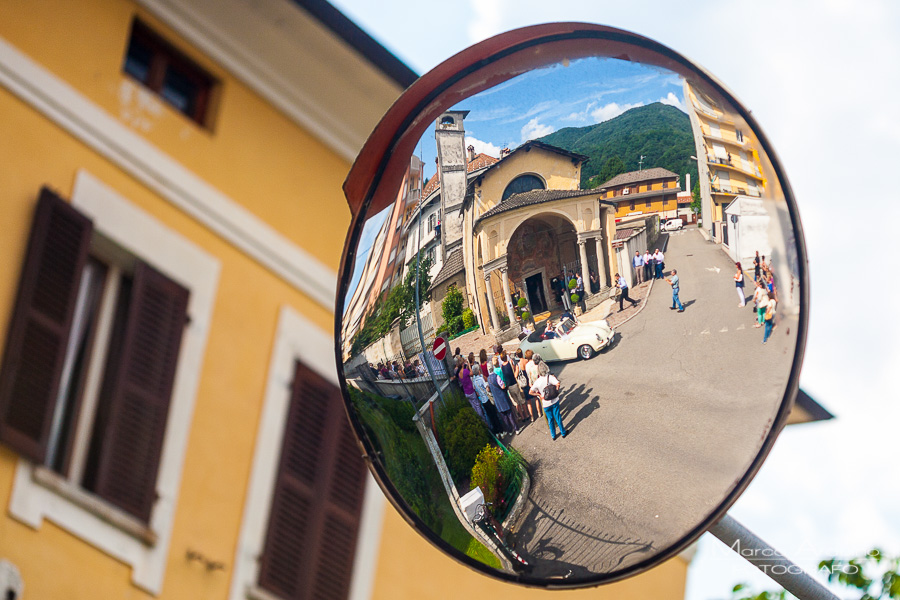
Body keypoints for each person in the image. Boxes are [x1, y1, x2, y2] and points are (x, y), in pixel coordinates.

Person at [530, 354, 567, 440]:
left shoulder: (537, 382)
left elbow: (530, 391)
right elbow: (558, 383)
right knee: (558, 417)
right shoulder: (550, 377)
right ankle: (563, 432)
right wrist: (556, 390)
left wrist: (539, 395)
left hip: (545, 403)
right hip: (554, 401)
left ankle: (553, 435)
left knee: (550, 420)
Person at [489, 356, 517, 433]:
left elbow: (488, 388)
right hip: (503, 396)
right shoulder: (497, 375)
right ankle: (516, 428)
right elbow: (503, 385)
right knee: (509, 413)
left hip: (497, 400)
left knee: (504, 416)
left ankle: (510, 430)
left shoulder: (488, 378)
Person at [499, 350, 526, 427]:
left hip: (509, 387)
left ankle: (522, 416)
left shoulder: (502, 367)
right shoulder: (510, 362)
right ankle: (527, 415)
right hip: (514, 384)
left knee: (516, 403)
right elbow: (514, 370)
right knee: (521, 400)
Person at [471, 363, 498, 431]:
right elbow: (487, 388)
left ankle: (496, 431)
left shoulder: (474, 381)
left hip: (483, 401)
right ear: (479, 371)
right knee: (494, 414)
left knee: (490, 416)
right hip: (487, 398)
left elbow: (477, 392)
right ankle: (500, 430)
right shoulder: (481, 379)